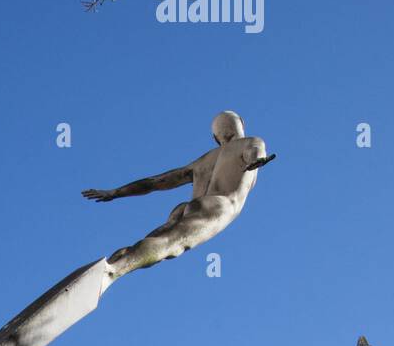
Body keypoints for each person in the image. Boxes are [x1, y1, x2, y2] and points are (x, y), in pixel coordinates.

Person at [82, 111, 275, 279]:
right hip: (219, 205)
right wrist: (257, 160)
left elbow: (155, 182)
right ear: (241, 123)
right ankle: (113, 270)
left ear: (216, 137)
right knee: (169, 244)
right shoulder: (250, 141)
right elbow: (255, 152)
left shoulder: (204, 161)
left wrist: (115, 193)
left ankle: (116, 260)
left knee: (155, 241)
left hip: (189, 206)